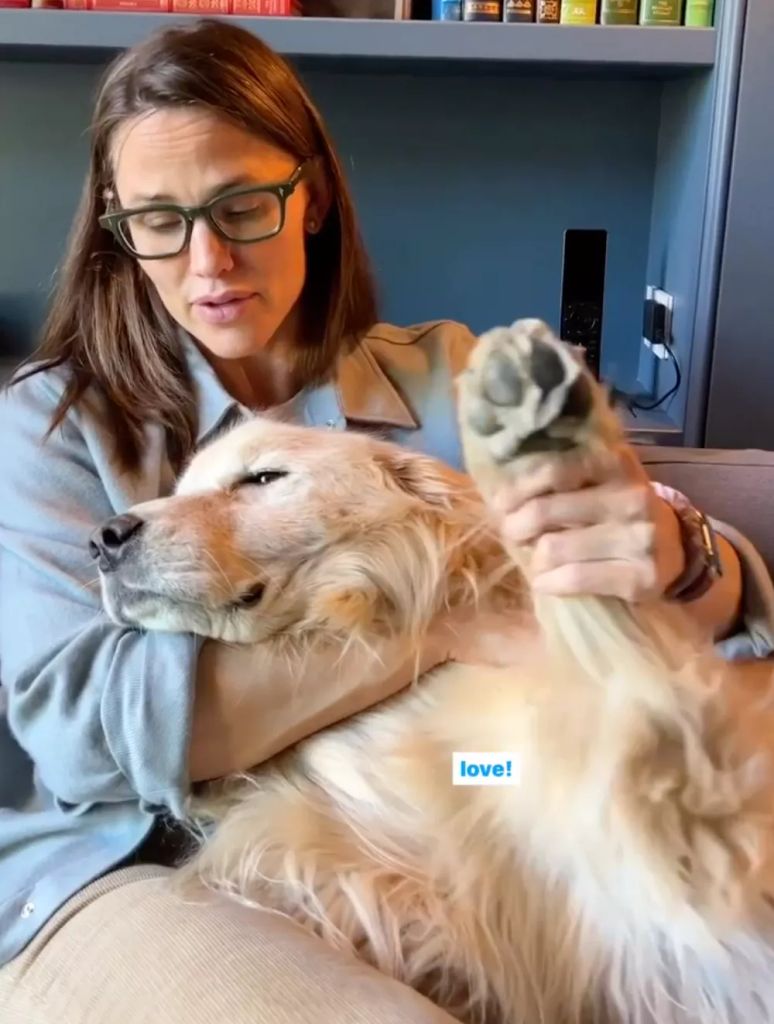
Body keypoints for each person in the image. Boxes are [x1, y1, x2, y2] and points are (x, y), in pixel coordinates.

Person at [0, 17, 771, 1024]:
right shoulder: (51, 423)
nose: (207, 263)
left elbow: (716, 599)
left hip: (477, 779)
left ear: (311, 196)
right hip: (136, 859)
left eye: (242, 206)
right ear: (119, 223)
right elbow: (84, 737)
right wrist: (447, 613)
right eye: (159, 219)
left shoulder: (457, 379)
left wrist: (663, 544)